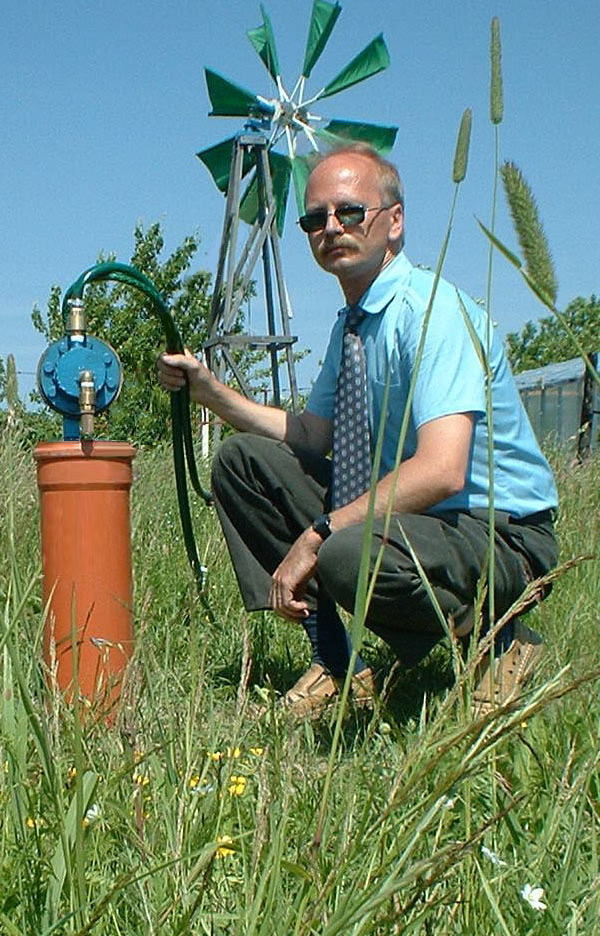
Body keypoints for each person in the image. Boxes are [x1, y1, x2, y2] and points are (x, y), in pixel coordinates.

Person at [157, 143, 558, 717]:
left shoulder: (430, 311)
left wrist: (318, 534)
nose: (332, 228)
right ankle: (338, 664)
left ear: (394, 222)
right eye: (315, 218)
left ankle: (502, 640)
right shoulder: (354, 324)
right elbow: (316, 435)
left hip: (498, 533)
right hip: (422, 524)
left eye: (350, 212)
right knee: (245, 462)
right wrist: (211, 392)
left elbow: (444, 471)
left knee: (346, 551)